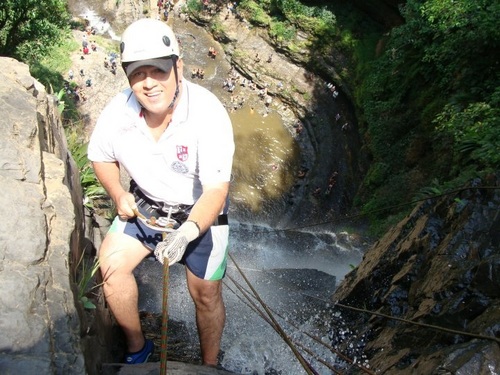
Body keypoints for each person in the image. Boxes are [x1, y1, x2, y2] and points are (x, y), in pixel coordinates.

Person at [87, 18, 235, 367]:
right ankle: (138, 347)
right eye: (138, 74)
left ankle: (209, 365)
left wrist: (186, 232)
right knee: (110, 267)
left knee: (206, 294)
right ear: (128, 78)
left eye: (158, 70)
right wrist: (118, 194)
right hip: (146, 206)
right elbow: (100, 156)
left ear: (178, 68)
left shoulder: (207, 113)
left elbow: (216, 189)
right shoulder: (119, 111)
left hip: (200, 213)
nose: (149, 82)